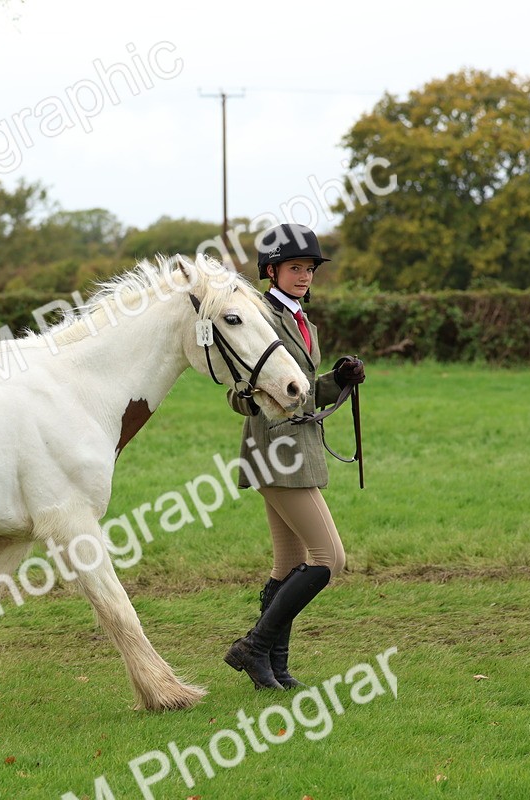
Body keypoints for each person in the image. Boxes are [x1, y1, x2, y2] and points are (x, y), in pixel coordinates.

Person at [222, 222, 365, 690]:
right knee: (330, 558)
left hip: (300, 448)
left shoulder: (303, 320)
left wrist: (338, 379)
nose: (304, 275)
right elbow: (237, 392)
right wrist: (249, 397)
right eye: (294, 267)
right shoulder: (259, 317)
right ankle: (253, 647)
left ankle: (273, 668)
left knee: (288, 565)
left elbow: (300, 391)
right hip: (274, 451)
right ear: (271, 270)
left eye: (309, 268)